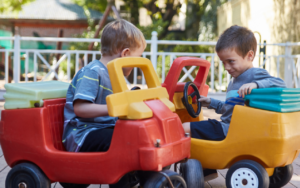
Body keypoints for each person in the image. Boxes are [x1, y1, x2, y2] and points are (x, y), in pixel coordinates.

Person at [182, 25, 286, 181]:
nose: (226, 67)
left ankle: (194, 165)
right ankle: (207, 169)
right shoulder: (234, 82)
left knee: (185, 127)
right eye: (223, 62)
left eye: (231, 61)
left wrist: (256, 85)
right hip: (229, 127)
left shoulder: (254, 74)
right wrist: (210, 102)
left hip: (229, 130)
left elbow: (280, 83)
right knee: (201, 129)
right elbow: (228, 108)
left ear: (249, 56)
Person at [62, 19, 146, 188]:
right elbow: (80, 108)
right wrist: (114, 108)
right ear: (125, 54)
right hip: (84, 134)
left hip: (104, 129)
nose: (137, 64)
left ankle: (136, 176)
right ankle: (124, 181)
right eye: (138, 58)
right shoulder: (93, 72)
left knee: (139, 134)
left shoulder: (118, 77)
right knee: (122, 140)